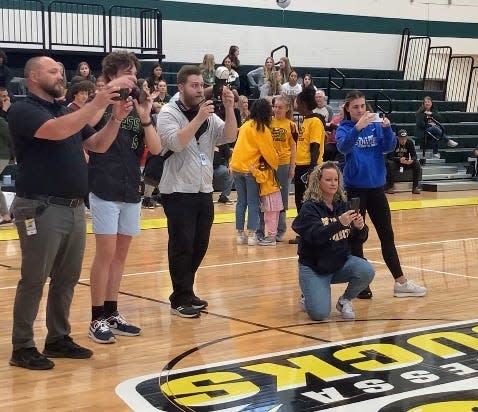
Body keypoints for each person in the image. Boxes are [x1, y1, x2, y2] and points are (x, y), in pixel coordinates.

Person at [7, 55, 136, 369]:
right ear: (33, 76)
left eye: (60, 70)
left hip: (74, 207)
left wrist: (115, 117)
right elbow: (56, 132)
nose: (59, 74)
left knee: (66, 279)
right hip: (40, 207)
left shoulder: (63, 110)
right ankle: (22, 346)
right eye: (52, 70)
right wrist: (99, 101)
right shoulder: (23, 110)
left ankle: (58, 338)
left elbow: (98, 145)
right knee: (34, 278)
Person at [87, 51, 162, 344]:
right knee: (104, 254)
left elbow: (155, 149)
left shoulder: (136, 107)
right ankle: (96, 318)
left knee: (120, 256)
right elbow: (88, 127)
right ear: (110, 75)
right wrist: (109, 92)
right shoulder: (100, 101)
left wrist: (145, 115)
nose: (132, 77)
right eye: (125, 72)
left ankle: (111, 312)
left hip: (131, 187)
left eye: (133, 72)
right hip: (104, 185)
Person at [156, 65, 237, 318]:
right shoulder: (169, 112)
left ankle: (187, 290)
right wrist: (199, 118)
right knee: (182, 246)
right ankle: (179, 297)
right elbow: (176, 143)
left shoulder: (210, 115)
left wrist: (231, 108)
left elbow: (229, 135)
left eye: (202, 85)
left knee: (200, 244)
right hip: (178, 190)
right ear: (181, 87)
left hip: (203, 188)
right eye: (194, 85)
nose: (200, 89)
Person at [336, 90, 427, 299]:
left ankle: (400, 282)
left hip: (376, 189)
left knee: (387, 235)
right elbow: (343, 147)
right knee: (356, 237)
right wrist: (358, 128)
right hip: (355, 190)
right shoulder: (344, 128)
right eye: (356, 107)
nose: (360, 110)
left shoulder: (376, 125)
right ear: (348, 109)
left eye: (363, 106)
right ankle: (360, 283)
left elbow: (389, 147)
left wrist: (387, 129)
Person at [292, 162, 375, 320]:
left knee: (366, 270)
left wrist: (360, 228)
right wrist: (339, 223)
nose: (333, 183)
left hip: (339, 263)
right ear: (318, 182)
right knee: (319, 314)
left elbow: (358, 240)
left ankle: (345, 300)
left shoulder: (343, 205)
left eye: (336, 180)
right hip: (314, 267)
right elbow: (315, 236)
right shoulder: (309, 208)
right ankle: (308, 293)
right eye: (328, 180)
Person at [230, 99, 279, 246]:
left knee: (241, 202)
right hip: (251, 170)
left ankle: (240, 234)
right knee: (253, 202)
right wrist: (275, 164)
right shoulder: (262, 128)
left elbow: (237, 146)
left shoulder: (245, 125)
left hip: (236, 168)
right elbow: (270, 154)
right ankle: (252, 234)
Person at [289, 87, 325, 244]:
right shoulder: (306, 120)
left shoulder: (315, 121)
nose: (296, 106)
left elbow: (315, 147)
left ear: (304, 103)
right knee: (300, 200)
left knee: (307, 201)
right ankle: (305, 232)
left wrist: (312, 170)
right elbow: (304, 143)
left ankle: (309, 233)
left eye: (297, 103)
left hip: (309, 167)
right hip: (301, 165)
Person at [269, 95, 297, 241]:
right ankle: (267, 229)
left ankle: (281, 229)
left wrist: (292, 166)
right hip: (268, 164)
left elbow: (293, 147)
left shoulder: (291, 125)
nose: (276, 110)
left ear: (287, 109)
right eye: (275, 107)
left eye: (280, 107)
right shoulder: (268, 122)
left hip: (283, 164)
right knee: (266, 197)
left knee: (282, 197)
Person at [250, 156, 283, 246]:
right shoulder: (271, 164)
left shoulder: (264, 164)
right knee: (274, 216)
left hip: (269, 194)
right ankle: (272, 236)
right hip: (275, 193)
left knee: (269, 217)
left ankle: (271, 238)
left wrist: (254, 171)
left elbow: (262, 178)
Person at [385, 129, 422, 194]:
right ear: (398, 138)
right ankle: (390, 187)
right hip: (396, 162)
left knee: (417, 163)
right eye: (401, 139)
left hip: (406, 162)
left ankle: (415, 187)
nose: (403, 141)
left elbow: (414, 156)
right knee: (389, 163)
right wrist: (399, 159)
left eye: (405, 139)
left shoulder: (410, 142)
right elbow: (390, 157)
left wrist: (411, 160)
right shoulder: (393, 143)